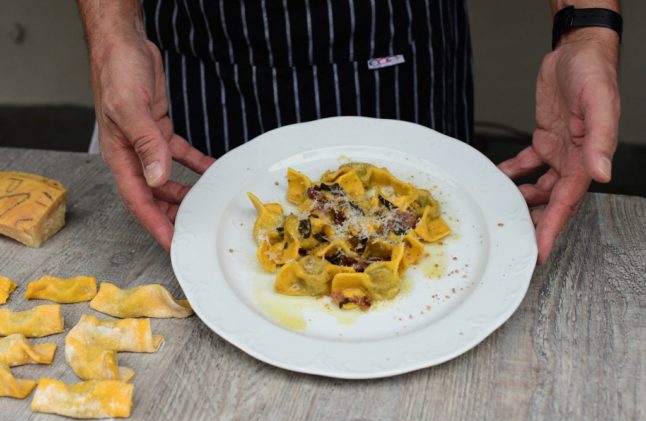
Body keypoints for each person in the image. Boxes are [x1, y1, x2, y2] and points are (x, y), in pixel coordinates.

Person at [77, 0, 621, 264]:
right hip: (207, 65)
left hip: (398, 48)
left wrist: (587, 32)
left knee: (431, 268)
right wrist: (111, 34)